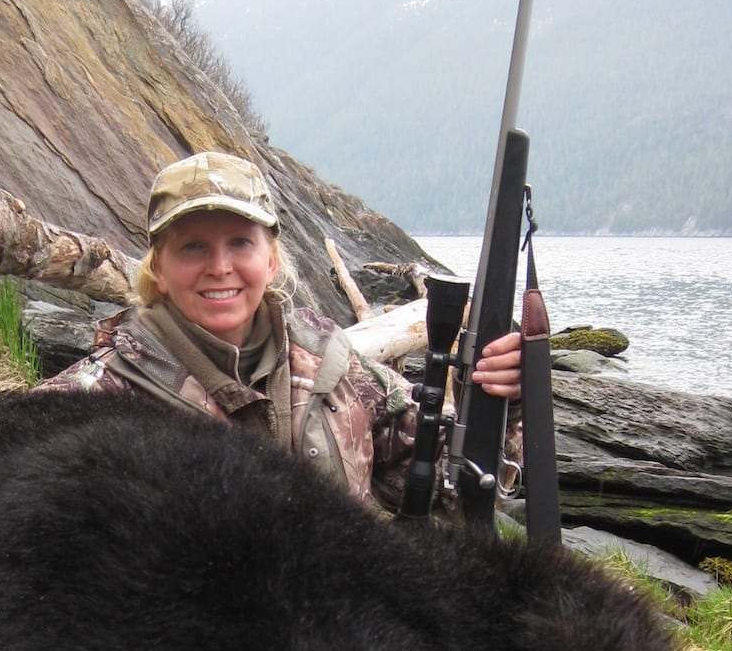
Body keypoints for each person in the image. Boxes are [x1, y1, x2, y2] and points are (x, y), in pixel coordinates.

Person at [40, 151, 522, 513]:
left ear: (270, 262)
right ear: (158, 270)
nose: (220, 267)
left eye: (239, 243)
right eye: (192, 248)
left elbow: (454, 486)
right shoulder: (90, 401)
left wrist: (501, 400)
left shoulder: (335, 368)